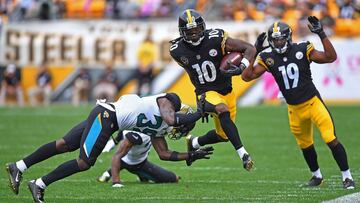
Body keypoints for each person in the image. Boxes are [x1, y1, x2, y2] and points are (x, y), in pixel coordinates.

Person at [5, 92, 212, 202]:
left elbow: (164, 154)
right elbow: (169, 117)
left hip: (106, 118)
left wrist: (190, 155)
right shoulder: (169, 101)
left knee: (63, 144)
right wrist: (198, 113)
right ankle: (39, 184)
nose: (178, 132)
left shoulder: (160, 129)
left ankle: (19, 166)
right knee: (84, 162)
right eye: (182, 128)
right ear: (181, 116)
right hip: (106, 117)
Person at [242, 16, 355, 189]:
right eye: (275, 40)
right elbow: (247, 76)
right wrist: (255, 51)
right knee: (305, 145)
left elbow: (330, 57)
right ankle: (317, 176)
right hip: (294, 109)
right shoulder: (267, 57)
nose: (278, 43)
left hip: (312, 103)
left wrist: (321, 34)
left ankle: (347, 177)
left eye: (281, 39)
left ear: (288, 38)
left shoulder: (303, 48)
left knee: (330, 139)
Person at [169, 9, 256, 169]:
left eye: (196, 30)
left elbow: (250, 48)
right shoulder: (177, 50)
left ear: (203, 27)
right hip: (206, 92)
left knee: (224, 135)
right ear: (182, 33)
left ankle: (194, 142)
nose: (194, 34)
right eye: (190, 31)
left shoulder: (217, 38)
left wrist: (241, 67)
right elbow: (192, 73)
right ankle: (244, 154)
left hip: (227, 90)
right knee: (222, 110)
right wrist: (203, 102)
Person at [136, 28, 156, 96]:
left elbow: (139, 57)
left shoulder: (144, 46)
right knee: (144, 83)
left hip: (144, 66)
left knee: (142, 83)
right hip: (146, 67)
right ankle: (146, 94)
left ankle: (142, 94)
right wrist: (145, 66)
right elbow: (152, 57)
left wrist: (142, 66)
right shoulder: (150, 46)